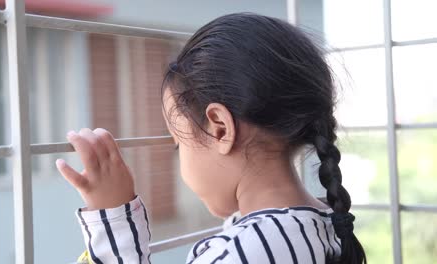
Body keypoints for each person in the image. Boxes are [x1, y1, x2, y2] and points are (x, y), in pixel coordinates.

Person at [56, 13, 367, 264]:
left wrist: (114, 224)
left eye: (178, 143)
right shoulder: (328, 222)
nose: (179, 157)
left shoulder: (245, 251)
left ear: (220, 128)